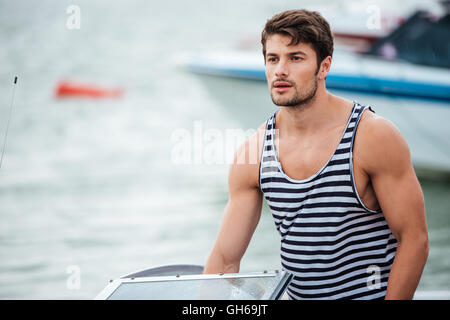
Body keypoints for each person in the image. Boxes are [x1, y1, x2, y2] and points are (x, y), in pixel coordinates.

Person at [203, 9, 429, 300]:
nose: (280, 70)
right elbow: (224, 260)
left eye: (295, 58)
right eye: (273, 59)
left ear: (324, 67)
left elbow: (414, 240)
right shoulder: (255, 151)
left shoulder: (372, 136)